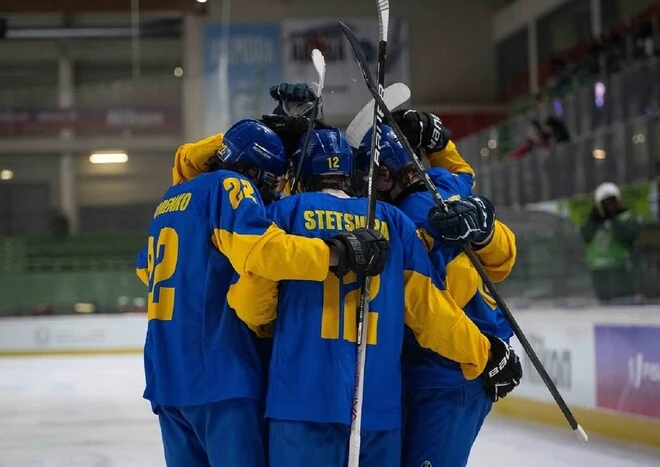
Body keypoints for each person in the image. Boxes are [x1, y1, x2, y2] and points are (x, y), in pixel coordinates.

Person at [229, 127, 522, 467]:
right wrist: (484, 354)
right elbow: (430, 311)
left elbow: (251, 307)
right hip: (378, 408)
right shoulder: (393, 221)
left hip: (300, 401)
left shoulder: (284, 215)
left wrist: (268, 327)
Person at [135, 119, 388, 467]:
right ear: (251, 169)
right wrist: (336, 252)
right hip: (218, 373)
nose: (270, 192)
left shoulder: (171, 199)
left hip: (167, 376)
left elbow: (143, 270)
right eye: (270, 179)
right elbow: (264, 253)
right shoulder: (230, 185)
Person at [357, 112, 519, 467]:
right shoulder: (443, 185)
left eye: (367, 177)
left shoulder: (404, 222)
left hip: (453, 370)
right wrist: (440, 142)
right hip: (454, 366)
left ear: (384, 176)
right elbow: (464, 173)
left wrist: (484, 353)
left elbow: (436, 305)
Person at [581, 182, 640, 302]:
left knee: (623, 302)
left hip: (620, 269)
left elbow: (627, 236)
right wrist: (594, 218)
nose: (609, 206)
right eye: (605, 203)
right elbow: (585, 236)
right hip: (599, 270)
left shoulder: (626, 217)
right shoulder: (595, 222)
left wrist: (613, 217)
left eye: (612, 202)